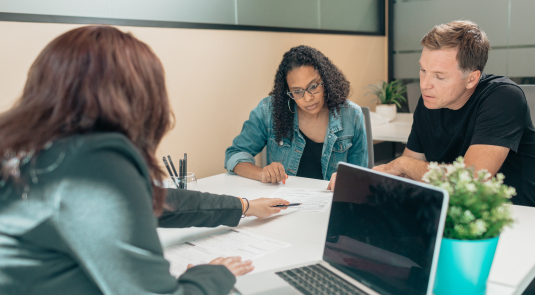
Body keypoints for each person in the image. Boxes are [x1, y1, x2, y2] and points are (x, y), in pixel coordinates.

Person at [0, 26, 289, 295]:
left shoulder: (32, 149)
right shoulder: (92, 160)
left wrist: (244, 206)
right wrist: (213, 274)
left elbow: (154, 200)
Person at [333, 20, 535, 206]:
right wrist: (357, 180)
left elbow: (471, 179)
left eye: (439, 76)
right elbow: (407, 176)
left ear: (472, 79)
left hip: (514, 219)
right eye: (423, 70)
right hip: (453, 212)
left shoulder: (503, 97)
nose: (425, 84)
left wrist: (403, 164)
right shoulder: (430, 102)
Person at [225, 45, 368, 188]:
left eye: (313, 86)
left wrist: (348, 180)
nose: (307, 98)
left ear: (327, 81)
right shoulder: (268, 111)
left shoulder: (352, 115)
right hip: (283, 203)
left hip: (329, 203)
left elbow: (360, 175)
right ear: (287, 92)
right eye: (297, 91)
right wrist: (262, 173)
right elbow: (235, 155)